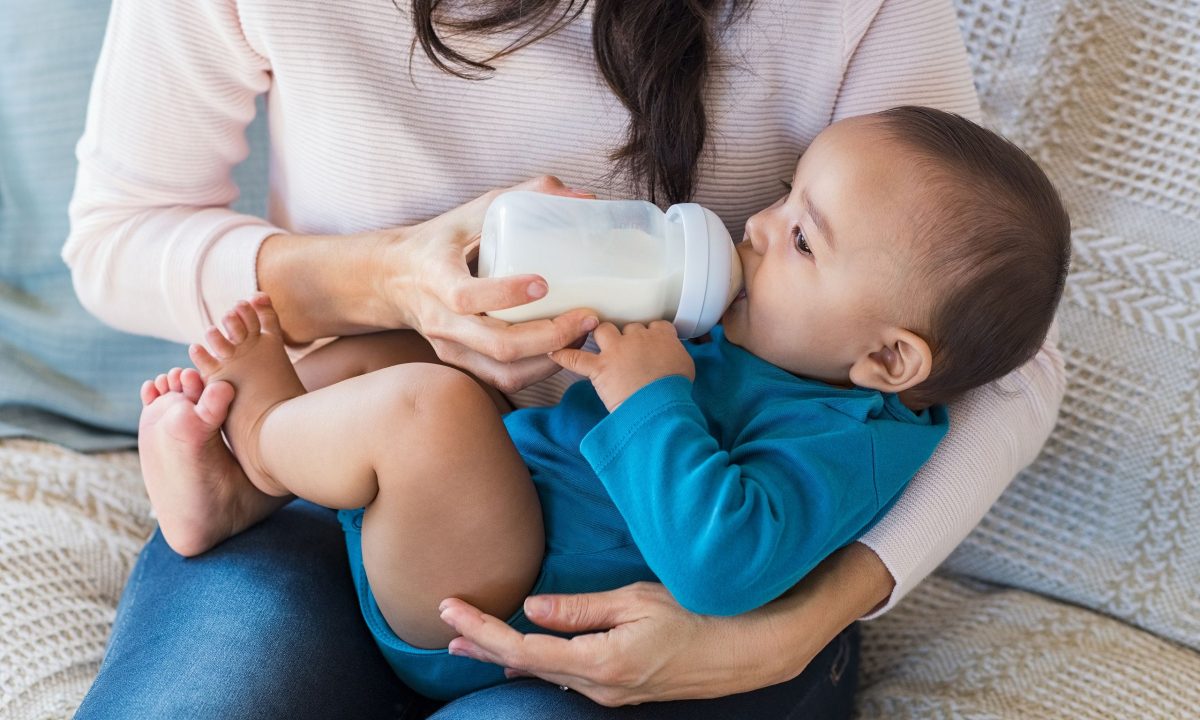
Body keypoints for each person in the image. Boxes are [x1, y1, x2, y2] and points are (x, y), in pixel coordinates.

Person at [64, 1, 1067, 717]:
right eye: (785, 195)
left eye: (801, 231)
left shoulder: (819, 382)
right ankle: (255, 467)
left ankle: (261, 446)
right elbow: (118, 235)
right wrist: (384, 276)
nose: (757, 227)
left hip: (611, 598)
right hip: (389, 501)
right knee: (214, 685)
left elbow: (994, 357)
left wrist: (792, 628)